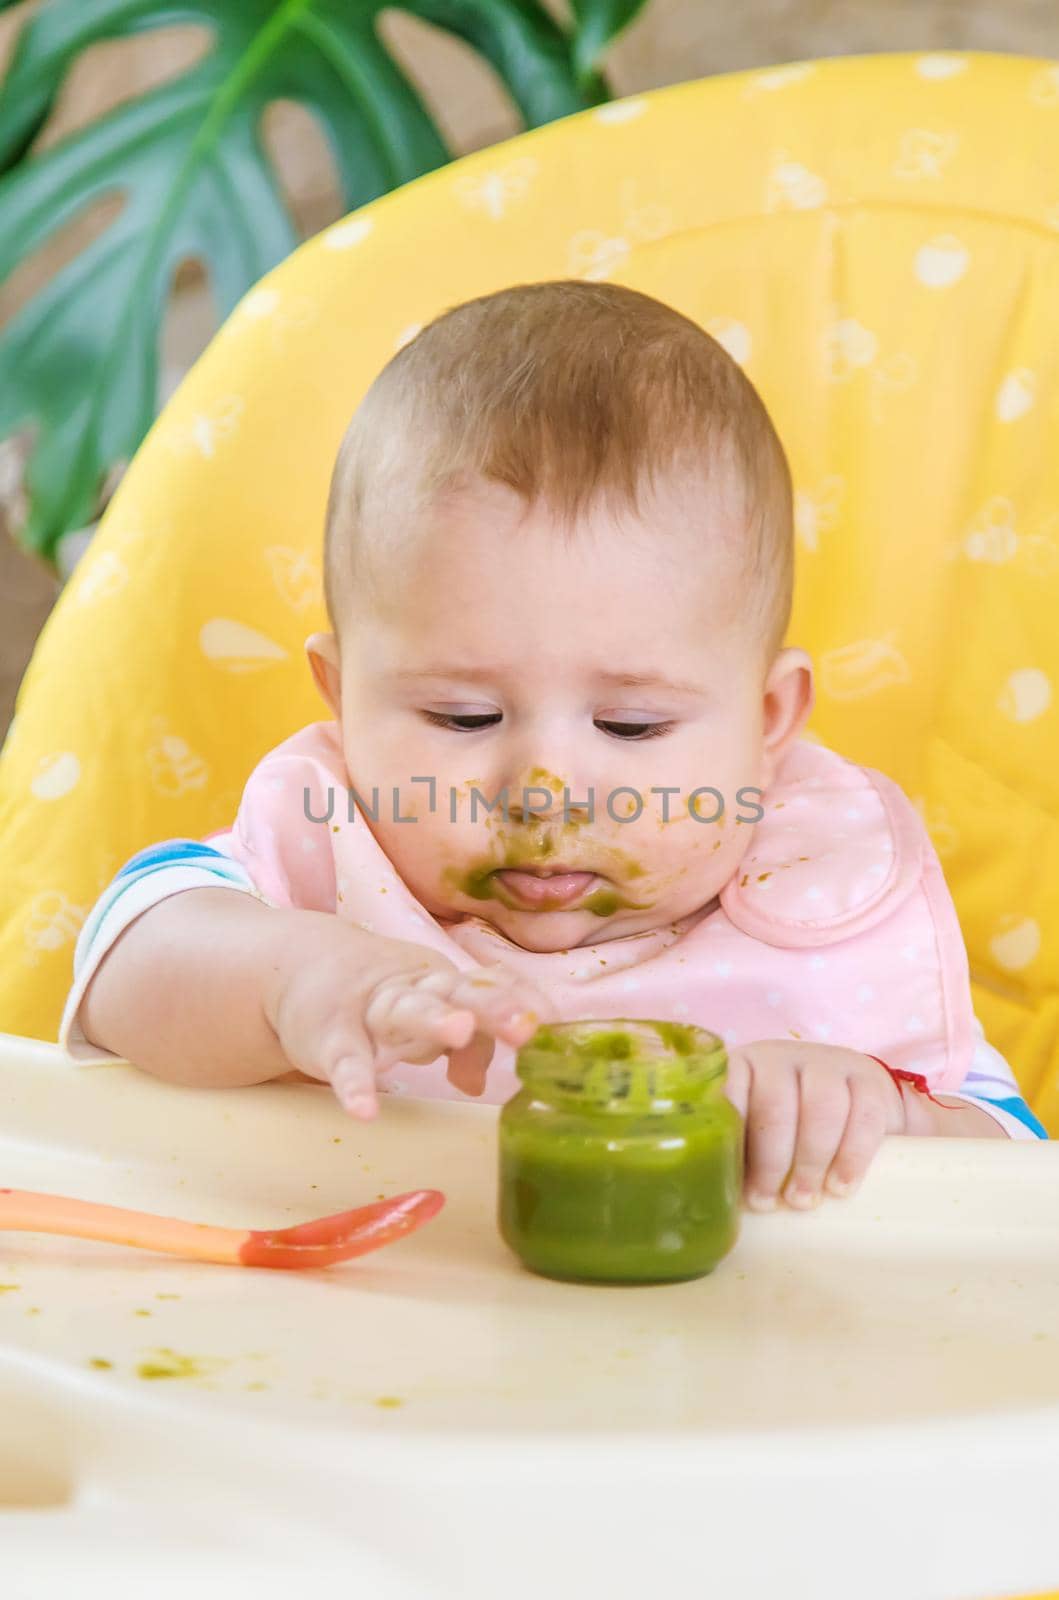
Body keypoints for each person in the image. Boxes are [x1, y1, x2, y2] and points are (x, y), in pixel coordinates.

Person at [60, 280, 1047, 1217]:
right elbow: (120, 967)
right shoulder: (330, 852)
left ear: (769, 722)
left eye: (631, 727)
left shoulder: (825, 888)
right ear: (341, 697)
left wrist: (884, 1114)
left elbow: (1013, 1182)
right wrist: (293, 983)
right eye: (462, 716)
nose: (543, 794)